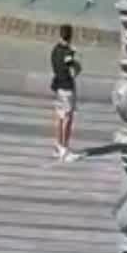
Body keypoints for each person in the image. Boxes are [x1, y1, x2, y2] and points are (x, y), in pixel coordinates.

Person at [50, 23, 82, 162]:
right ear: (70, 36)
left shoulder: (55, 50)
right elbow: (72, 68)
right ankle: (65, 150)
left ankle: (58, 147)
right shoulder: (68, 52)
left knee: (59, 116)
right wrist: (77, 65)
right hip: (67, 88)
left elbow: (59, 64)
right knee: (68, 118)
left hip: (57, 86)